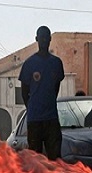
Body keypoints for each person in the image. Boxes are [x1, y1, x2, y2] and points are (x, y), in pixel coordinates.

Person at [18, 26, 65, 161]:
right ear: (36, 39)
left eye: (46, 37)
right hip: (35, 120)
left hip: (51, 118)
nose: (44, 40)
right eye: (41, 37)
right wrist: (32, 107)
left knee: (55, 158)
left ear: (50, 39)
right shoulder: (29, 64)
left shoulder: (56, 63)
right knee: (35, 160)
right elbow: (24, 91)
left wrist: (48, 103)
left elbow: (56, 87)